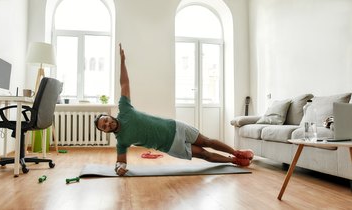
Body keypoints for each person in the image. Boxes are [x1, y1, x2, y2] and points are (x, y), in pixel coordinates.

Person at [94, 44, 254, 176]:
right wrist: (119, 168)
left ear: (109, 117)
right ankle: (234, 161)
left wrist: (122, 62)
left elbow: (124, 84)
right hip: (171, 145)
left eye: (106, 120)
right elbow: (120, 161)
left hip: (175, 126)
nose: (108, 124)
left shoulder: (124, 109)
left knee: (208, 141)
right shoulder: (121, 141)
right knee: (204, 154)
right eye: (104, 126)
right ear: (105, 131)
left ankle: (236, 153)